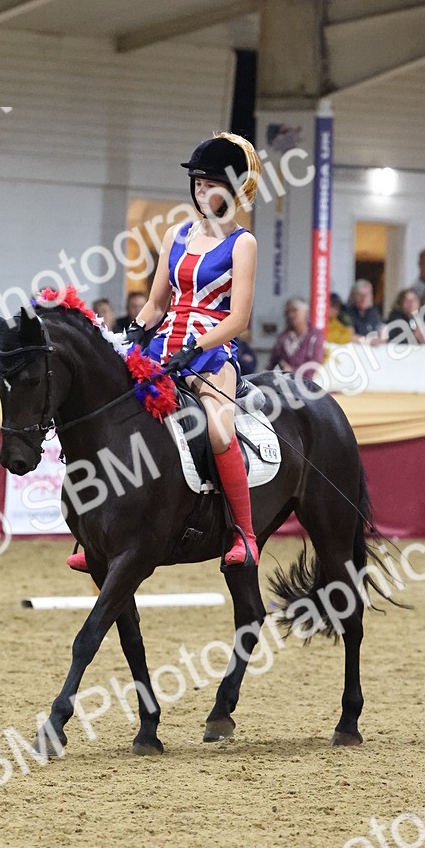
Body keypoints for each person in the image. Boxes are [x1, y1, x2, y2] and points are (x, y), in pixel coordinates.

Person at [69, 131, 262, 572]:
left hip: (212, 353)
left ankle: (244, 534)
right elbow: (157, 304)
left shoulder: (242, 243)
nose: (201, 192)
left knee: (217, 431)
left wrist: (196, 347)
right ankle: (92, 532)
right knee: (114, 418)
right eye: (197, 184)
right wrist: (133, 334)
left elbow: (239, 319)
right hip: (164, 345)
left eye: (210, 185)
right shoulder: (176, 235)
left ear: (231, 190)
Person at [267, 298, 325, 372]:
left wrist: (293, 371)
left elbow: (315, 365)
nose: (290, 315)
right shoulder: (282, 337)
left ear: (305, 312)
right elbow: (273, 362)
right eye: (287, 312)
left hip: (307, 381)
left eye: (294, 310)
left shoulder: (315, 336)